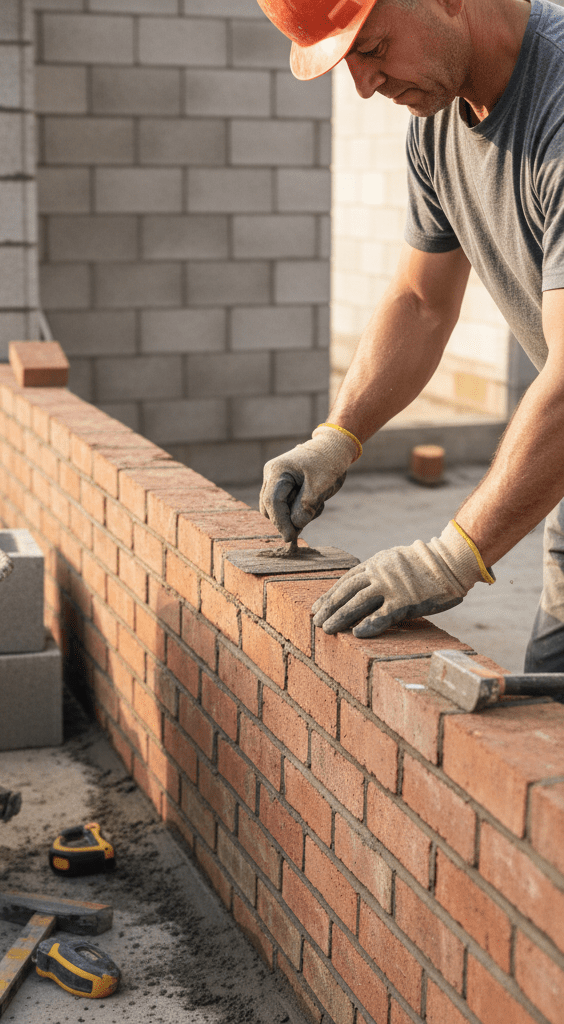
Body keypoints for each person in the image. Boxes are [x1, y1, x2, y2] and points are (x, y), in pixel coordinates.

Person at [254, 0, 564, 668]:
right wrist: (335, 439)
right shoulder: (437, 122)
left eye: (373, 48)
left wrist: (453, 555)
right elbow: (421, 301)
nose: (365, 86)